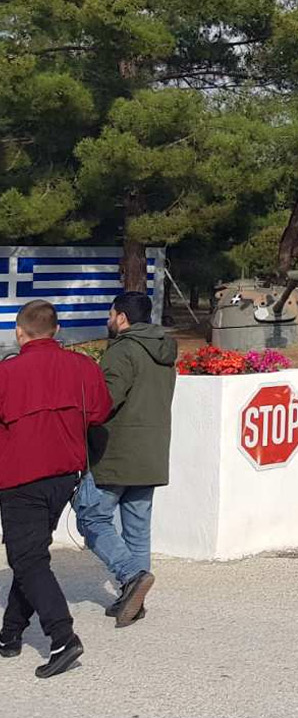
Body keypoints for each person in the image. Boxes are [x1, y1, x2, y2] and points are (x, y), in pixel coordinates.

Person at [0, 300, 113, 678]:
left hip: (20, 478)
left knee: (27, 558)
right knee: (28, 552)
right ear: (57, 329)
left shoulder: (7, 373)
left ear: (20, 331)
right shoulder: (83, 367)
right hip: (65, 476)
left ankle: (62, 636)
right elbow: (99, 413)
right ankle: (10, 634)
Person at [76, 291, 176, 630]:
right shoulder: (164, 351)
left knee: (91, 518)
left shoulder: (122, 351)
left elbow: (105, 402)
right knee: (137, 527)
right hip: (151, 450)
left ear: (121, 317)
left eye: (110, 313)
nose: (108, 319)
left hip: (116, 451)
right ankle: (135, 601)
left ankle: (131, 576)